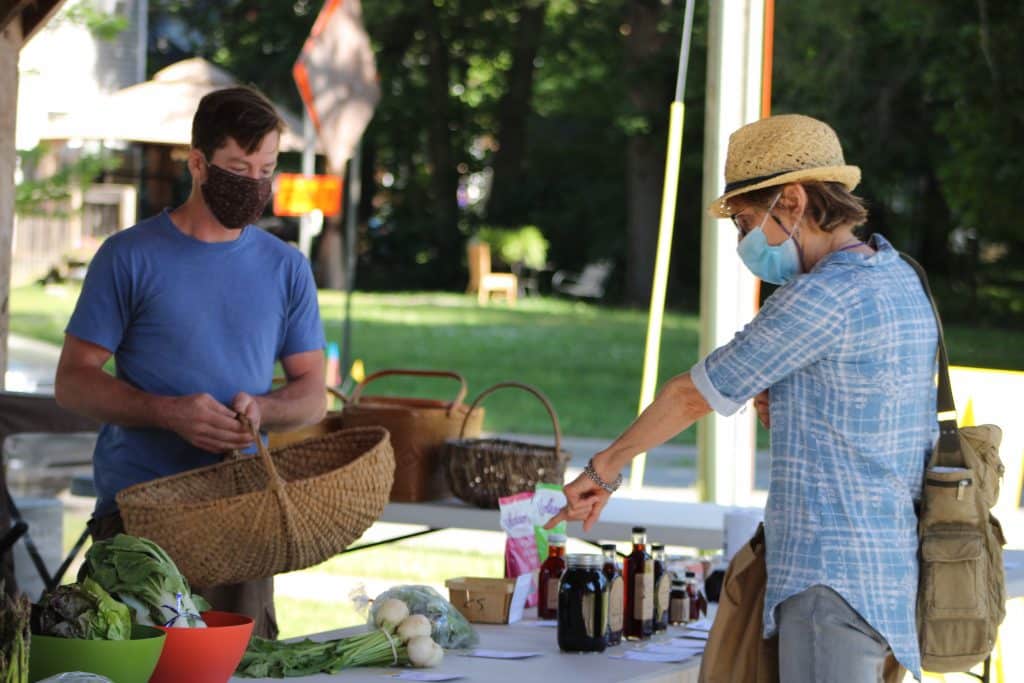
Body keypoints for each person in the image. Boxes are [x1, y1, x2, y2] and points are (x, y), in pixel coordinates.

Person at [546, 114, 936, 682]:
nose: (743, 242)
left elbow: (691, 395)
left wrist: (604, 469)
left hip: (830, 578)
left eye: (746, 222)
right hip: (887, 573)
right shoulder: (900, 276)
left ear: (793, 201)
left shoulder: (822, 297)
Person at [54, 86, 328, 639]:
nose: (254, 183)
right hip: (139, 519)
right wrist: (167, 412)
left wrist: (264, 408)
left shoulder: (287, 267)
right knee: (133, 667)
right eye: (238, 168)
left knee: (242, 668)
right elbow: (73, 382)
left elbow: (312, 395)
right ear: (198, 164)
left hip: (242, 515)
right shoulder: (128, 256)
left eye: (266, 169)